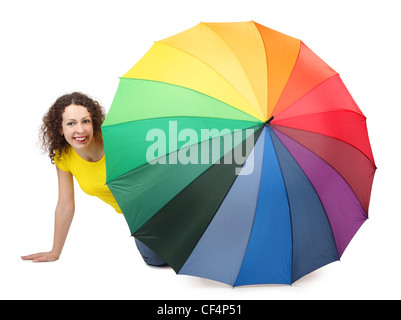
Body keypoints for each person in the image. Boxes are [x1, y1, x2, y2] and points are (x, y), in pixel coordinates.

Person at [21, 92, 166, 266]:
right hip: (139, 217)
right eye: (71, 123)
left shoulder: (115, 140)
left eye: (85, 121)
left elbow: (155, 169)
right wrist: (55, 252)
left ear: (93, 122)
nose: (80, 130)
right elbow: (65, 206)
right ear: (60, 129)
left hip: (163, 199)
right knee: (155, 259)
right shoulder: (64, 157)